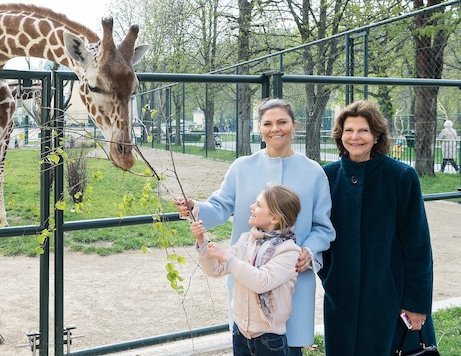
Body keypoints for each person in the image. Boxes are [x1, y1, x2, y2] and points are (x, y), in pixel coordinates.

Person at [173, 98, 335, 355]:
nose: (275, 129)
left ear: (295, 125)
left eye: (282, 122)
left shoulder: (314, 172)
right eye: (268, 123)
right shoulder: (241, 167)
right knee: (248, 342)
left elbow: (323, 227)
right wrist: (195, 207)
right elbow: (220, 206)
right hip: (247, 279)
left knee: (289, 347)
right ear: (260, 128)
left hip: (289, 275)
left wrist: (310, 251)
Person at [320, 100, 436, 355]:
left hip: (390, 296)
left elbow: (418, 245)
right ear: (340, 136)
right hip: (341, 296)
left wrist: (416, 303)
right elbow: (318, 231)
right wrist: (330, 277)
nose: (355, 137)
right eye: (349, 130)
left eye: (363, 130)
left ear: (376, 136)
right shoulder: (326, 176)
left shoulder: (401, 177)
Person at [191, 184, 302, 356]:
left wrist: (228, 258)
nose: (251, 206)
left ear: (274, 218)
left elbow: (261, 281)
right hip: (240, 332)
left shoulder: (289, 251)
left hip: (269, 338)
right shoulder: (247, 239)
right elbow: (216, 269)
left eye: (258, 205)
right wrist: (201, 242)